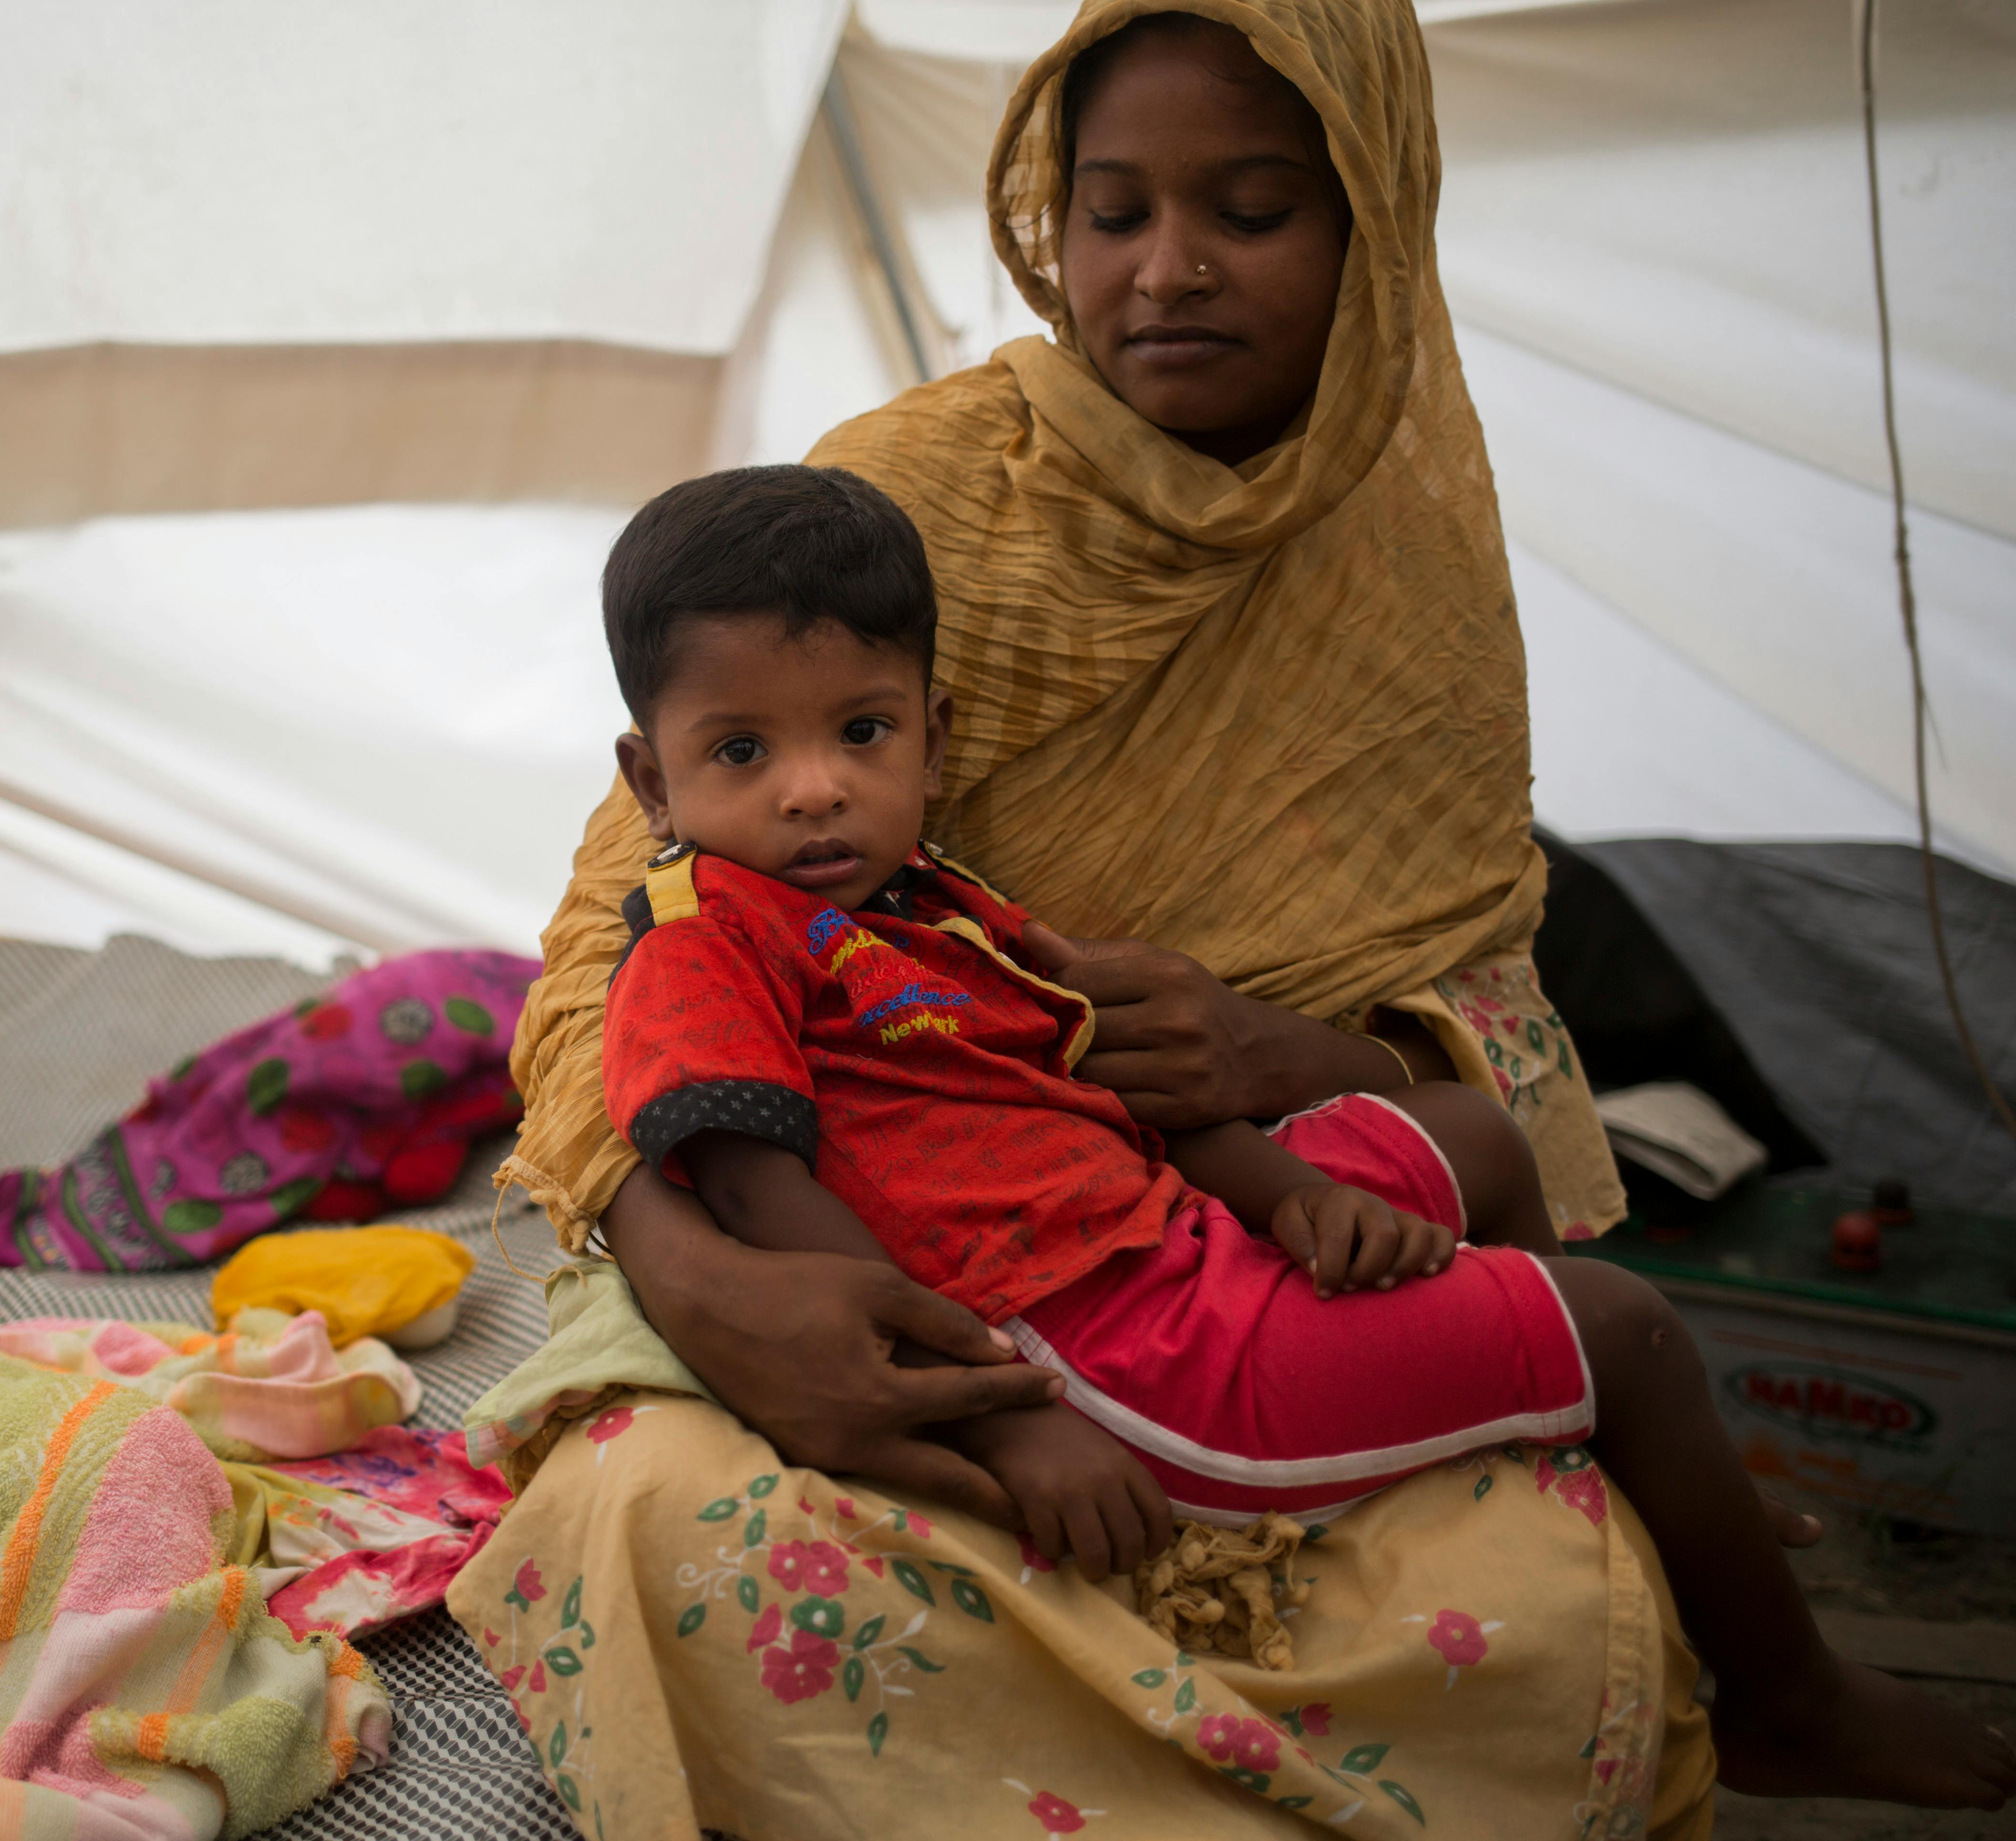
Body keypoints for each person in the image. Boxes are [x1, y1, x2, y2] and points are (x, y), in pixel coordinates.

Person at [453, 2, 1960, 1828]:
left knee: (1550, 1617)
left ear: (1369, 224)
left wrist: (1269, 1059)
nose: (1161, 271)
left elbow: (1462, 1023)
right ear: (1047, 224)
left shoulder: (1402, 551)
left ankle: (1540, 1457)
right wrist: (729, 1296)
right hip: (895, 1255)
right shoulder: (899, 512)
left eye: (1248, 209)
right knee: (658, 1532)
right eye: (1109, 213)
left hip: (1211, 1213)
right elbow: (611, 977)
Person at [589, 460, 2012, 1807]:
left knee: (1472, 1131)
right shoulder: (703, 941)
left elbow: (1119, 1083)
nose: (814, 785)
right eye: (741, 748)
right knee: (1630, 1326)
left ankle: (1548, 1421)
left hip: (1176, 1232)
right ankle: (1788, 1694)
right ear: (652, 780)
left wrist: (1283, 1195)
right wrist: (1014, 1420)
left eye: (861, 730)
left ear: (935, 732)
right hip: (1114, 1351)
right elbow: (763, 1191)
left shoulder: (932, 902)